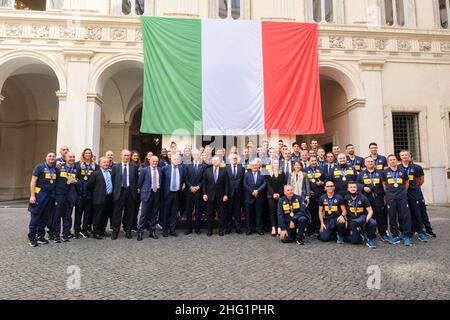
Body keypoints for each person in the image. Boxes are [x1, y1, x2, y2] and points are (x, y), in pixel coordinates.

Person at [382, 154, 413, 246]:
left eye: (394, 159)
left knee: (405, 216)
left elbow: (407, 182)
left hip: (402, 196)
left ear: (397, 160)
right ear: (388, 162)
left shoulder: (402, 171)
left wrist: (403, 191)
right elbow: (384, 183)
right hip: (391, 197)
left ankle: (407, 236)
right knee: (392, 217)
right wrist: (387, 192)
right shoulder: (385, 172)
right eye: (390, 160)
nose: (392, 161)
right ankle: (395, 236)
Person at [27, 152, 57, 247]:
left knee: (45, 218)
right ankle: (32, 238)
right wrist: (32, 196)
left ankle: (40, 236)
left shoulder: (55, 169)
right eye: (50, 156)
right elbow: (33, 181)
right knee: (35, 217)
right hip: (39, 195)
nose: (52, 157)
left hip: (50, 197)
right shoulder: (39, 167)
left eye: (53, 156)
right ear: (46, 158)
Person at [399, 150, 429, 242]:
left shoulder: (416, 167)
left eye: (406, 155)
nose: (404, 157)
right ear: (400, 157)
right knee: (404, 213)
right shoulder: (398, 168)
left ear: (409, 157)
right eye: (402, 155)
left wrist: (414, 187)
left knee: (417, 212)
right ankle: (405, 232)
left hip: (413, 192)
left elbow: (420, 181)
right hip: (402, 193)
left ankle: (420, 232)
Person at [357, 157, 389, 242]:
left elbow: (384, 185)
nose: (370, 163)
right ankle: (370, 233)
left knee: (380, 216)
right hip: (366, 197)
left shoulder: (381, 173)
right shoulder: (361, 174)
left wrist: (385, 197)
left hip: (378, 197)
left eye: (372, 161)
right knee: (368, 215)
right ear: (365, 163)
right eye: (368, 161)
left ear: (374, 163)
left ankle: (383, 233)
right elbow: (357, 184)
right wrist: (363, 187)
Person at [111, 149, 139, 240]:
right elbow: (113, 180)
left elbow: (136, 180)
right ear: (121, 156)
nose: (126, 157)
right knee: (117, 213)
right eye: (125, 155)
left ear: (130, 157)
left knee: (129, 213)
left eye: (128, 155)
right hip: (119, 192)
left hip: (130, 192)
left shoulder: (134, 167)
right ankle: (115, 231)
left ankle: (128, 231)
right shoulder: (116, 167)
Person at [52, 152, 79, 243]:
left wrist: (76, 181)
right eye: (70, 157)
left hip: (70, 195)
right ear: (65, 158)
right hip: (60, 195)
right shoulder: (59, 167)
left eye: (73, 157)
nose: (72, 158)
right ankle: (56, 235)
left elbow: (79, 179)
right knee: (57, 215)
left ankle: (65, 234)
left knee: (67, 216)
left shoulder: (76, 168)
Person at [344, 181, 377, 248]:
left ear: (357, 188)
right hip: (352, 221)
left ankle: (370, 239)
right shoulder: (346, 198)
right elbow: (343, 210)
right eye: (351, 187)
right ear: (348, 189)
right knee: (354, 241)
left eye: (354, 187)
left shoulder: (363, 198)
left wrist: (367, 220)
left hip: (362, 218)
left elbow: (370, 211)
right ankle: (360, 234)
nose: (352, 189)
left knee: (373, 223)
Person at [86, 157, 113, 240]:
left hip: (109, 197)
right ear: (100, 163)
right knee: (98, 216)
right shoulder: (96, 173)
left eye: (107, 162)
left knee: (105, 215)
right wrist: (97, 193)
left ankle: (102, 230)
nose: (106, 164)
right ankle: (96, 232)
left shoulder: (110, 173)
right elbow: (89, 186)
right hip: (99, 198)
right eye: (104, 162)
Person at [136, 156, 162, 240]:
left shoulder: (160, 170)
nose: (155, 163)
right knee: (144, 214)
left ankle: (152, 231)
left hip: (157, 193)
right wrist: (141, 192)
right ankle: (140, 232)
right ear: (149, 161)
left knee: (155, 214)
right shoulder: (144, 170)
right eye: (153, 161)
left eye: (156, 161)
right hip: (147, 193)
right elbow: (140, 183)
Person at [202, 156, 229, 236]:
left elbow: (227, 184)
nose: (215, 161)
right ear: (212, 161)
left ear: (219, 161)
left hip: (220, 196)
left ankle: (221, 230)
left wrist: (226, 194)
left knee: (221, 214)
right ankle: (210, 230)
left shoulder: (224, 171)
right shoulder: (207, 170)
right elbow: (204, 184)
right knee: (209, 214)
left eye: (217, 160)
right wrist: (204, 194)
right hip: (209, 196)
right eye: (214, 160)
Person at [74, 148, 97, 239]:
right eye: (86, 153)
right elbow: (75, 176)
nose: (88, 154)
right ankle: (76, 230)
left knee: (87, 213)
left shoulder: (95, 165)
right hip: (80, 193)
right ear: (83, 155)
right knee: (78, 213)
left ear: (91, 155)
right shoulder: (78, 164)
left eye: (89, 153)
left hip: (90, 193)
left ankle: (84, 230)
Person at [161, 153, 184, 237]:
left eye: (178, 159)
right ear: (171, 159)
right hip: (167, 194)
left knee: (174, 213)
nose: (176, 161)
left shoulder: (181, 169)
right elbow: (161, 181)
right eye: (175, 159)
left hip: (177, 193)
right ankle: (165, 230)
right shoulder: (165, 169)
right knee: (166, 212)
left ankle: (172, 229)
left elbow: (183, 180)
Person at [184, 150, 206, 235]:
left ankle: (197, 228)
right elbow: (185, 178)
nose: (196, 155)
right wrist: (190, 187)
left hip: (198, 192)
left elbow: (204, 179)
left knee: (198, 211)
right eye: (195, 154)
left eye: (198, 154)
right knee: (189, 210)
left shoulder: (203, 166)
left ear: (199, 155)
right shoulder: (187, 166)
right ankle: (188, 228)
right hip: (189, 192)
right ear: (192, 155)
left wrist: (198, 187)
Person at [243, 160, 267, 235]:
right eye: (253, 165)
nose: (254, 166)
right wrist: (252, 192)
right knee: (249, 214)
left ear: (259, 166)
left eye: (256, 165)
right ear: (251, 166)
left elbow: (265, 183)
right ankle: (249, 229)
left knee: (259, 213)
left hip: (259, 196)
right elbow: (244, 184)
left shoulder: (263, 172)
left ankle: (259, 228)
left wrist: (258, 191)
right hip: (249, 196)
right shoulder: (247, 174)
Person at [305, 156, 326, 236]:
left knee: (319, 211)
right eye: (312, 160)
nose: (314, 162)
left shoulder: (321, 169)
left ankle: (318, 229)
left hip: (319, 194)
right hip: (310, 195)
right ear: (309, 161)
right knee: (310, 212)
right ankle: (310, 229)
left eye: (315, 160)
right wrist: (308, 191)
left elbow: (326, 179)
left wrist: (322, 183)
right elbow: (304, 182)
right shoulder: (305, 170)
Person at [265, 159, 285, 236]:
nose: (276, 164)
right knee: (272, 212)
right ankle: (273, 227)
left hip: (280, 195)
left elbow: (283, 184)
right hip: (270, 195)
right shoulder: (268, 173)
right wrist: (273, 194)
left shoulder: (282, 173)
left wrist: (279, 194)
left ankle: (280, 226)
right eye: (274, 163)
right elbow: (268, 184)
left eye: (277, 163)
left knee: (280, 212)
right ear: (272, 164)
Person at [225, 153, 245, 234]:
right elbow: (225, 181)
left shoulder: (241, 168)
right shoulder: (226, 168)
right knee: (228, 211)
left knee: (237, 211)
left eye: (236, 158)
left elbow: (243, 181)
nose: (234, 160)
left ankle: (238, 227)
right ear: (230, 160)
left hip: (238, 193)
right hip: (229, 193)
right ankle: (228, 227)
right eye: (233, 158)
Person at [130, 150, 142, 232]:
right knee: (131, 208)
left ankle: (134, 224)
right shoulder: (130, 165)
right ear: (131, 157)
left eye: (137, 156)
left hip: (139, 189)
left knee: (136, 208)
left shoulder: (141, 166)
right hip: (132, 190)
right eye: (134, 156)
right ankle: (130, 225)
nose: (136, 157)